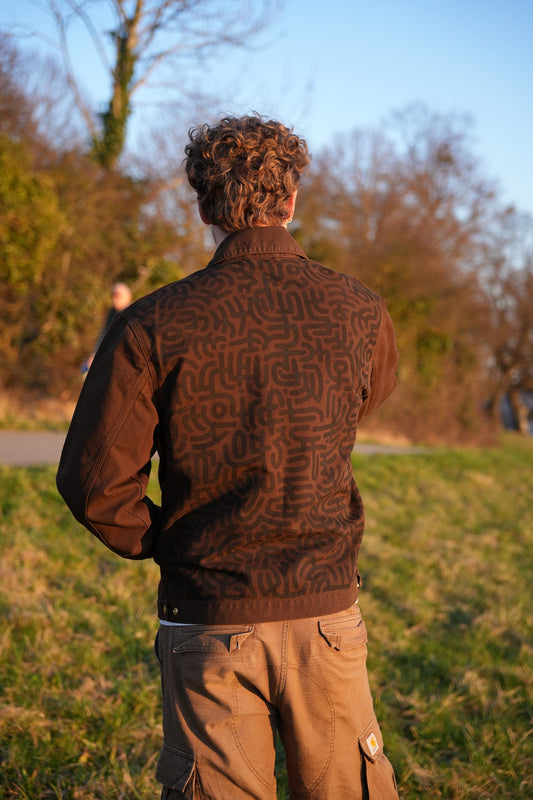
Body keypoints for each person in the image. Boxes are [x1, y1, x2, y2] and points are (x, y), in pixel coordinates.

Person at [57, 114, 400, 800]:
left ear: (201, 204)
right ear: (291, 199)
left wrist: (172, 541)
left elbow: (94, 482)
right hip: (324, 618)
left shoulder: (152, 322)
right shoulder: (360, 311)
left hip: (208, 616)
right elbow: (361, 403)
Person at [81, 282, 132, 372]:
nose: (114, 300)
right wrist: (94, 355)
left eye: (118, 296)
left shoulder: (131, 315)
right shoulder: (112, 312)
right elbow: (103, 334)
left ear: (127, 297)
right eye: (113, 296)